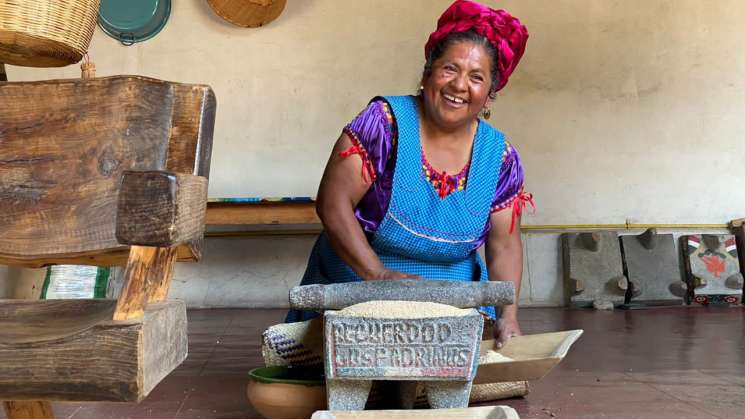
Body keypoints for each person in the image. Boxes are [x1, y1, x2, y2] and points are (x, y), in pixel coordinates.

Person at [286, 0, 532, 348]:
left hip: (452, 307)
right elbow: (333, 203)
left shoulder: (501, 157)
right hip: (359, 288)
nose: (460, 85)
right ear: (426, 74)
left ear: (489, 96)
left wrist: (508, 318)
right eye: (450, 69)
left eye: (477, 77)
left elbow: (504, 244)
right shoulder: (383, 124)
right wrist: (378, 275)